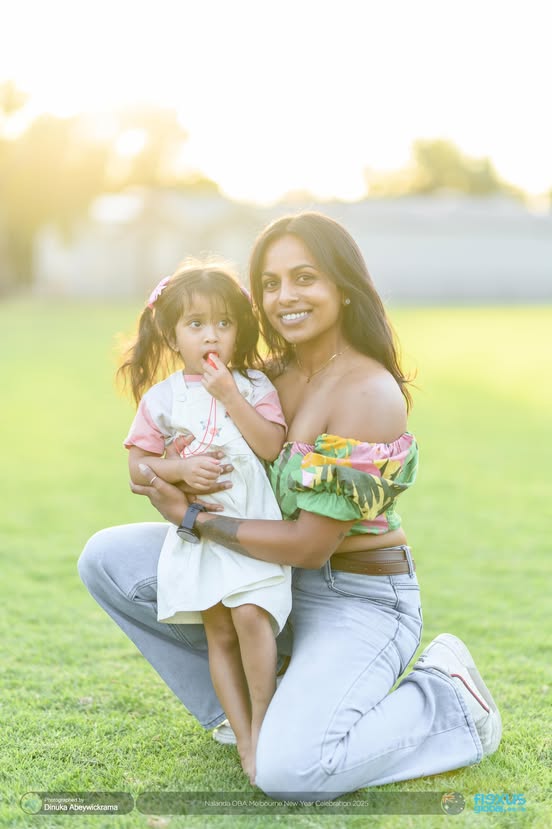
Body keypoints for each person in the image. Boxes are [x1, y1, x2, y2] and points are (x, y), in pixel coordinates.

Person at [79, 211, 501, 800]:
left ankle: (447, 702)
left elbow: (308, 545)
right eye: (270, 283)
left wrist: (194, 518)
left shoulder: (366, 391)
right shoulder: (259, 380)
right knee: (107, 558)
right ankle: (242, 719)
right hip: (261, 575)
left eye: (305, 278)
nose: (285, 297)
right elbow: (178, 457)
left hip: (354, 594)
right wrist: (176, 469)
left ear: (343, 286)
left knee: (289, 773)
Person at [118, 262, 291, 782]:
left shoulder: (254, 384)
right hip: (200, 535)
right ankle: (245, 740)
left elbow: (271, 446)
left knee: (252, 617)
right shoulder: (163, 398)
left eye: (223, 323)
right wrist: (179, 470)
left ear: (239, 330)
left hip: (252, 525)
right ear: (173, 336)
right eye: (195, 325)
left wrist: (230, 395)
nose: (211, 335)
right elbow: (137, 470)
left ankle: (266, 724)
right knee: (220, 631)